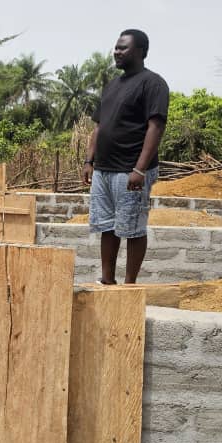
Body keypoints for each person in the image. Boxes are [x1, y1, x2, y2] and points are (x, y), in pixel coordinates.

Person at [82, 29, 169, 284]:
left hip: (130, 169)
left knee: (133, 228)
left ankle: (129, 286)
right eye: (116, 47)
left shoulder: (152, 83)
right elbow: (99, 126)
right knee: (107, 226)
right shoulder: (112, 85)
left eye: (123, 48)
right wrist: (89, 161)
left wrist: (140, 169)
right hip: (104, 170)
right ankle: (107, 281)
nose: (117, 52)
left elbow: (156, 127)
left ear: (140, 51)